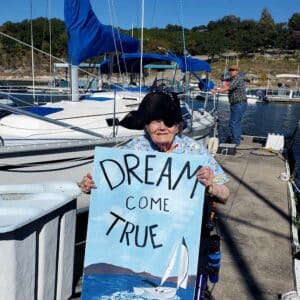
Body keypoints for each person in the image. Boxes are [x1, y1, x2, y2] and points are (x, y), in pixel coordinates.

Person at [79, 91, 230, 203]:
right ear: (146, 126)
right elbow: (106, 181)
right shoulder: (132, 149)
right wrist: (88, 184)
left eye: (169, 121)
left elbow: (225, 195)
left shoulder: (195, 151)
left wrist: (211, 187)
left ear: (177, 127)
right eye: (155, 121)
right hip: (139, 230)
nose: (162, 127)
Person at [212, 65, 247, 145]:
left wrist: (217, 91)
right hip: (235, 104)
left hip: (239, 104)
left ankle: (236, 142)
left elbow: (228, 87)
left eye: (234, 70)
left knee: (233, 123)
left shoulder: (237, 79)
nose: (232, 71)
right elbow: (225, 84)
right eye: (230, 70)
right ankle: (236, 139)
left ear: (237, 71)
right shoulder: (232, 79)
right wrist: (220, 85)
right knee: (235, 123)